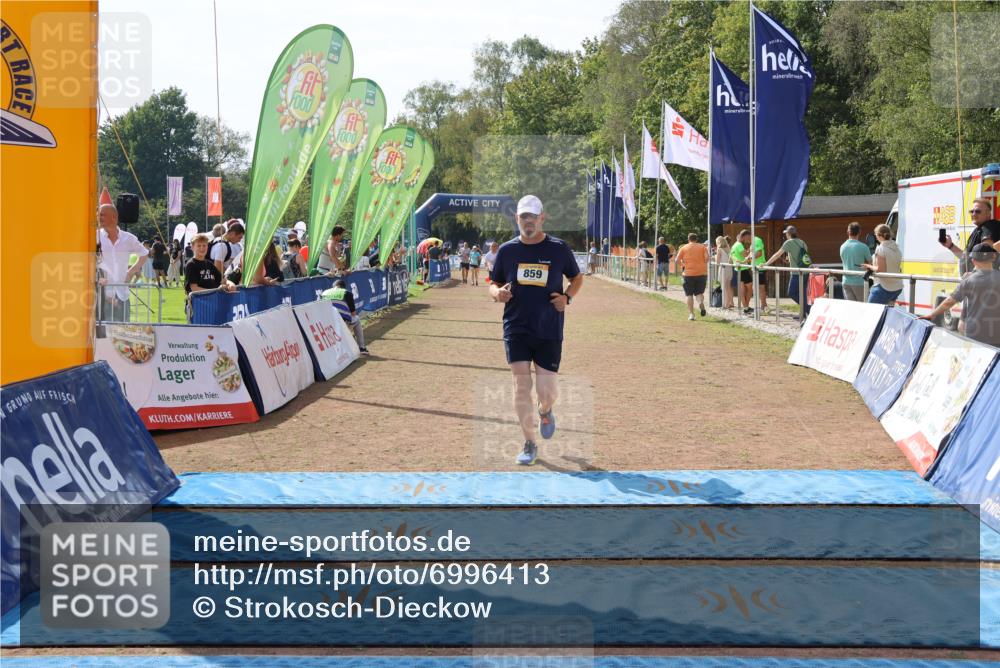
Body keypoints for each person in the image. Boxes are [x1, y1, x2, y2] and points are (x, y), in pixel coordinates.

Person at [489, 195, 583, 466]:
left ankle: (546, 410)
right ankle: (529, 443)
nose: (528, 221)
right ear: (517, 219)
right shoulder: (507, 250)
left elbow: (576, 278)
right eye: (523, 216)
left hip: (549, 328)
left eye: (533, 216)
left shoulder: (558, 248)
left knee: (546, 391)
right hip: (516, 326)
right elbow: (493, 283)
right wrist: (497, 294)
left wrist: (567, 298)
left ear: (543, 217)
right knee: (521, 386)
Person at [921, 244, 1000, 347]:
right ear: (993, 258)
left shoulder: (968, 281)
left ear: (973, 261)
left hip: (974, 335)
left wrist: (932, 314)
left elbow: (949, 302)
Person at [96, 203, 147, 322]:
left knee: (124, 336)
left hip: (123, 296)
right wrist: (96, 276)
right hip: (102, 296)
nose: (99, 217)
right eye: (98, 215)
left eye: (102, 215)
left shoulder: (128, 238)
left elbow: (144, 254)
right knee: (103, 337)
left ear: (113, 217)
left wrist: (131, 272)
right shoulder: (95, 237)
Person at [184, 233, 236, 320]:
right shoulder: (191, 265)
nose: (202, 248)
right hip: (198, 306)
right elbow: (194, 288)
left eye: (204, 245)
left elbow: (223, 280)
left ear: (207, 247)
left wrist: (231, 284)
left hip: (213, 305)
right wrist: (217, 291)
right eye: (199, 246)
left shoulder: (209, 264)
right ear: (193, 247)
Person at [940, 197, 1000, 271]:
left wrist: (973, 274)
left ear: (988, 214)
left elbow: (986, 253)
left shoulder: (989, 226)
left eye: (978, 211)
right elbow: (965, 257)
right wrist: (950, 246)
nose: (973, 214)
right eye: (972, 211)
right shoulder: (977, 230)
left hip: (982, 280)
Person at [765, 225, 811, 316]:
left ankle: (808, 308)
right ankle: (805, 314)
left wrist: (766, 264)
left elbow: (777, 254)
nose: (785, 235)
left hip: (796, 273)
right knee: (802, 294)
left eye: (786, 233)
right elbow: (803, 257)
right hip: (805, 271)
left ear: (789, 234)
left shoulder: (788, 242)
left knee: (792, 293)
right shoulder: (802, 242)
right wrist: (790, 259)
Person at [322, 279, 370, 356]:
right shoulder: (347, 293)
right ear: (343, 287)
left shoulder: (324, 293)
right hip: (341, 324)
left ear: (334, 287)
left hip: (325, 324)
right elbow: (353, 314)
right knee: (357, 319)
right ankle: (362, 348)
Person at [862, 223, 903, 305]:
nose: (875, 237)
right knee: (887, 314)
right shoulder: (896, 248)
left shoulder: (881, 249)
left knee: (871, 312)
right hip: (897, 287)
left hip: (883, 287)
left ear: (880, 235)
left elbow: (880, 269)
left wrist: (868, 266)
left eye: (876, 235)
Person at [731, 229, 767, 314]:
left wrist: (748, 259)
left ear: (747, 235)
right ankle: (753, 306)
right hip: (753, 268)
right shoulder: (750, 243)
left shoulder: (756, 240)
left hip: (760, 267)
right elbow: (750, 255)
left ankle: (763, 306)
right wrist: (745, 260)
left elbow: (759, 253)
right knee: (753, 288)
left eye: (745, 239)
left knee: (760, 288)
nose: (745, 241)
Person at [676, 233, 710, 320]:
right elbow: (707, 259)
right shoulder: (703, 247)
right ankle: (700, 303)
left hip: (688, 274)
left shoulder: (684, 248)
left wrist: (683, 265)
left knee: (689, 294)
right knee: (699, 293)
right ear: (696, 239)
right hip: (701, 273)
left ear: (688, 239)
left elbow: (677, 260)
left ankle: (691, 314)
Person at [840, 221, 872, 302]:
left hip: (846, 281)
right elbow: (871, 263)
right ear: (859, 232)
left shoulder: (842, 246)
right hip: (860, 282)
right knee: (863, 308)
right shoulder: (863, 247)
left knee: (851, 308)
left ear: (848, 232)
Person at [715, 236, 734, 309]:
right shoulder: (729, 248)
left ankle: (725, 304)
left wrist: (716, 256)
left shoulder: (719, 249)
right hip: (729, 268)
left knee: (724, 287)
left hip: (723, 268)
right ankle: (728, 303)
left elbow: (717, 262)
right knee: (728, 287)